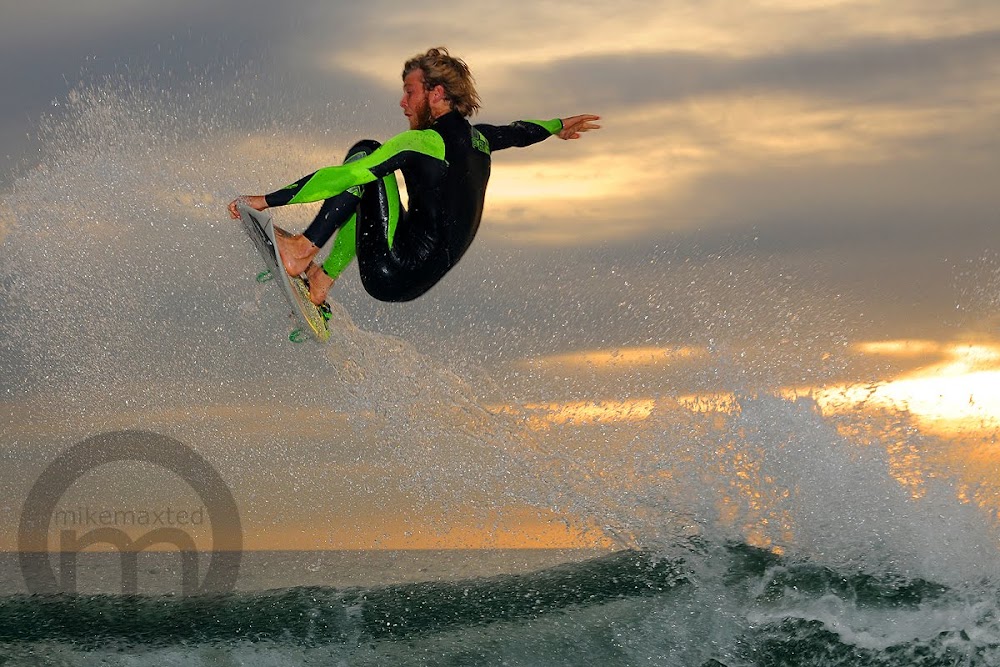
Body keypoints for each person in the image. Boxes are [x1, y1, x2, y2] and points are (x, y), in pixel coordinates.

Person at [228, 47, 600, 306]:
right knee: (370, 184)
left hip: (392, 270)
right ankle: (321, 281)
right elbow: (521, 131)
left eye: (410, 92)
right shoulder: (481, 140)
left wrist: (266, 200)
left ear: (436, 94)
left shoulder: (425, 142)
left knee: (367, 156)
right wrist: (557, 125)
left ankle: (302, 250)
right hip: (417, 279)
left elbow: (346, 176)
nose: (403, 103)